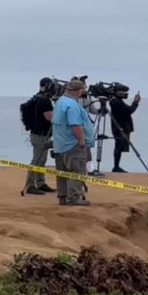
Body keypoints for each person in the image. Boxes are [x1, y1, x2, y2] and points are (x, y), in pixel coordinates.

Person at [52, 78, 95, 206]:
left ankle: (63, 197)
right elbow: (75, 124)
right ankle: (74, 197)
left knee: (62, 172)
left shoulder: (60, 102)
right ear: (78, 91)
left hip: (60, 144)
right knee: (77, 171)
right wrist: (81, 140)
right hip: (72, 144)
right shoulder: (72, 105)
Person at [22, 77, 57, 195]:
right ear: (48, 86)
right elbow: (49, 117)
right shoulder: (44, 101)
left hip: (37, 133)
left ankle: (41, 183)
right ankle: (31, 185)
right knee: (37, 160)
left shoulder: (36, 97)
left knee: (42, 160)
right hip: (40, 134)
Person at [109, 86, 141, 173]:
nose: (125, 93)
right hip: (119, 128)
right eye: (122, 91)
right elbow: (129, 110)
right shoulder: (116, 102)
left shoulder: (117, 101)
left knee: (119, 147)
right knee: (118, 147)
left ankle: (116, 166)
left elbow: (128, 110)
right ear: (116, 92)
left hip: (121, 127)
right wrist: (136, 102)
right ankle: (116, 167)